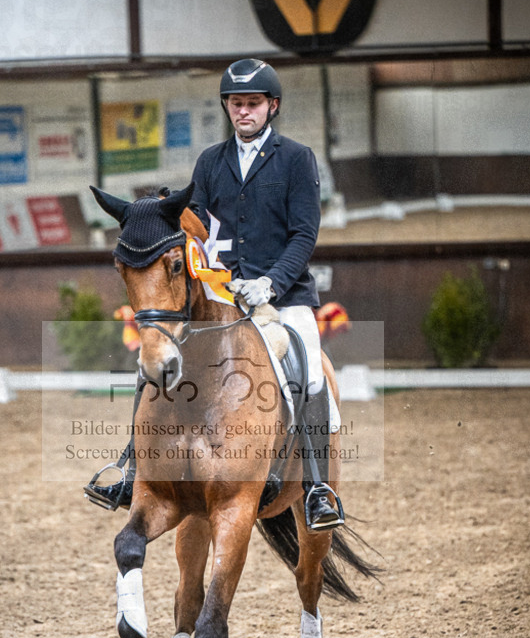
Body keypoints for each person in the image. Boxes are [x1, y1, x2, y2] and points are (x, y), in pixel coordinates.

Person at [86, 57, 343, 531]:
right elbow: (197, 228)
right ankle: (130, 468)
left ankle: (318, 488)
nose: (243, 112)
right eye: (235, 104)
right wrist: (166, 213)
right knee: (156, 363)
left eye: (252, 104)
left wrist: (270, 282)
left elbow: (304, 235)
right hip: (223, 298)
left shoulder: (296, 159)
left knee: (310, 371)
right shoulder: (211, 161)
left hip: (282, 297)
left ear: (272, 106)